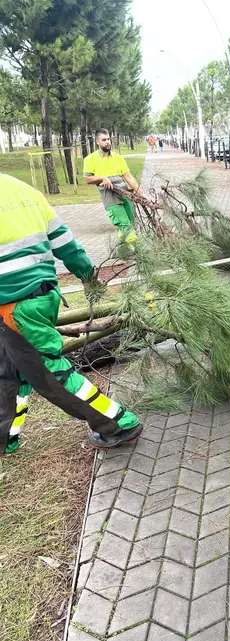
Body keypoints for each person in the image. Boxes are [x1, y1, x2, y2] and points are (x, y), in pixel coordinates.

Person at [0, 173, 143, 454]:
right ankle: (5, 438)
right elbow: (66, 243)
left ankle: (118, 423)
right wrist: (88, 277)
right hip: (40, 296)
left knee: (49, 375)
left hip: (16, 306)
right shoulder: (22, 189)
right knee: (7, 372)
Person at [83, 129, 143, 247]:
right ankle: (139, 250)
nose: (107, 142)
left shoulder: (118, 157)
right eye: (104, 140)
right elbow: (88, 179)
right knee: (124, 224)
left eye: (108, 139)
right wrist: (102, 178)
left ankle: (122, 248)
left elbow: (128, 177)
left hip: (124, 191)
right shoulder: (90, 159)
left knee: (131, 222)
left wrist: (139, 191)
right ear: (97, 142)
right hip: (109, 194)